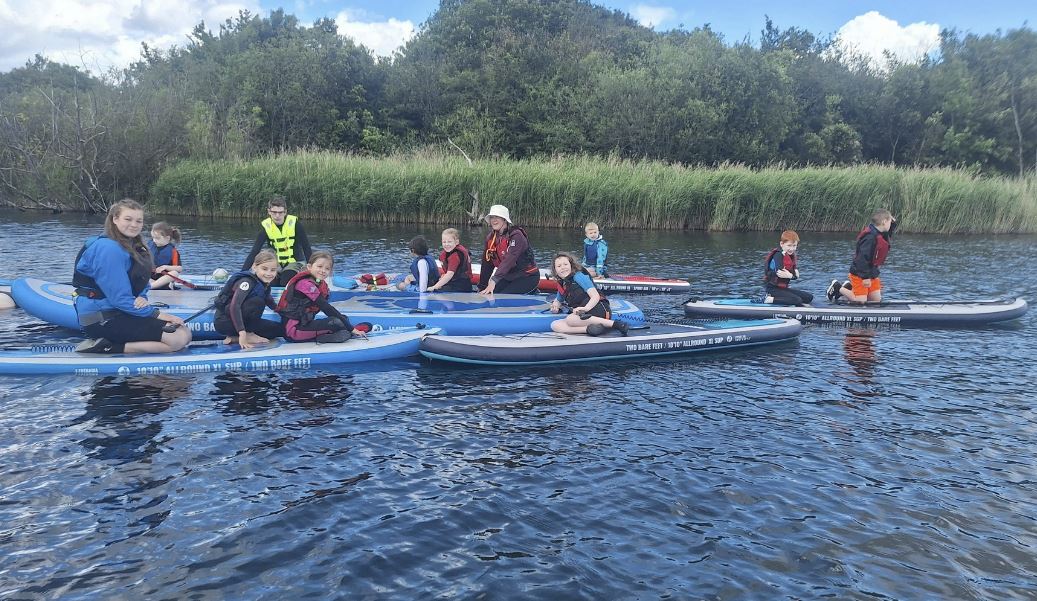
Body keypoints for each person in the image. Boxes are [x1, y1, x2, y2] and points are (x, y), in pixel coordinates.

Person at [72, 199, 192, 354]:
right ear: (115, 219)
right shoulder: (108, 249)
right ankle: (107, 347)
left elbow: (140, 282)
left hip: (121, 312)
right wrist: (158, 314)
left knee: (185, 333)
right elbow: (119, 298)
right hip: (102, 319)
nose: (134, 225)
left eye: (138, 221)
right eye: (128, 219)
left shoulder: (130, 245)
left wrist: (141, 297)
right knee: (178, 339)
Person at [276, 251, 367, 343]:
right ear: (309, 267)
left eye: (327, 268)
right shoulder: (304, 284)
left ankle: (347, 332)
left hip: (305, 324)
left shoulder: (318, 283)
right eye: (319, 266)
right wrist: (351, 328)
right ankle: (331, 336)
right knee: (336, 322)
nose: (323, 270)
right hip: (293, 331)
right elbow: (326, 307)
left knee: (343, 318)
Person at [213, 250, 285, 349]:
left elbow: (272, 304)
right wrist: (243, 332)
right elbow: (235, 306)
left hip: (245, 322)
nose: (269, 273)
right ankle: (248, 334)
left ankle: (234, 338)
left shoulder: (264, 285)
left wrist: (288, 314)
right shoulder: (247, 282)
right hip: (225, 322)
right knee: (258, 302)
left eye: (272, 270)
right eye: (264, 269)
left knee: (279, 329)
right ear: (255, 267)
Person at [828, 209, 898, 303]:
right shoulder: (869, 237)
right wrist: (865, 278)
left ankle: (850, 289)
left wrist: (892, 222)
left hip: (872, 272)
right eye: (890, 222)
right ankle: (837, 287)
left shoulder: (881, 233)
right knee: (861, 301)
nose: (891, 224)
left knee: (876, 301)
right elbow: (862, 258)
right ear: (884, 222)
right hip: (859, 273)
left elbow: (889, 231)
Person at [549, 253, 628, 336]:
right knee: (555, 325)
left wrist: (586, 308)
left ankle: (616, 324)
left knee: (570, 319)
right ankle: (590, 329)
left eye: (565, 264)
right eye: (559, 266)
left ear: (571, 265)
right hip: (583, 315)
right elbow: (558, 301)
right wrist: (555, 307)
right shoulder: (563, 284)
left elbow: (595, 296)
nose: (563, 267)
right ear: (555, 271)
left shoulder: (579, 276)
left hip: (598, 308)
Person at [242, 195, 313, 287]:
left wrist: (312, 270)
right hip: (275, 264)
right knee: (271, 283)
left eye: (280, 212)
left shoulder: (295, 224)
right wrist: (242, 274)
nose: (277, 216)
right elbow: (255, 251)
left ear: (285, 212)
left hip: (294, 263)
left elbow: (306, 247)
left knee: (285, 281)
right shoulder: (265, 227)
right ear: (269, 212)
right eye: (274, 212)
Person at [478, 204, 540, 295]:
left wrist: (494, 280)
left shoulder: (516, 235)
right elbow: (486, 264)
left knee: (502, 297)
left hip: (527, 276)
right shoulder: (490, 238)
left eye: (497, 217)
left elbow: (509, 260)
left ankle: (533, 292)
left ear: (504, 219)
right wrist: (482, 286)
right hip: (508, 277)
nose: (494, 220)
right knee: (489, 294)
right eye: (492, 217)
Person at [763, 230, 813, 306]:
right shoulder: (778, 255)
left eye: (794, 246)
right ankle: (769, 299)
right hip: (772, 289)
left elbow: (794, 274)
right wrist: (792, 276)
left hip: (782, 289)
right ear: (782, 244)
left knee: (809, 297)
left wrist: (792, 275)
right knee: (797, 300)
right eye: (789, 245)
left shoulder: (790, 256)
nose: (792, 249)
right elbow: (780, 273)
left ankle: (786, 299)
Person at [428, 228, 474, 292]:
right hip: (456, 283)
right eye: (444, 242)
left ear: (456, 242)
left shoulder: (455, 256)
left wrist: (435, 287)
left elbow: (450, 274)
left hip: (461, 286)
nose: (446, 244)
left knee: (435, 290)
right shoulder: (449, 253)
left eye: (449, 242)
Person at [148, 221, 184, 289]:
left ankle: (151, 286)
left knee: (174, 273)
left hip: (163, 278)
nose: (154, 240)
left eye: (157, 238)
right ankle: (151, 284)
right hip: (150, 277)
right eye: (153, 237)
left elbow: (179, 269)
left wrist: (165, 267)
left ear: (167, 238)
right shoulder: (150, 246)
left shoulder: (173, 252)